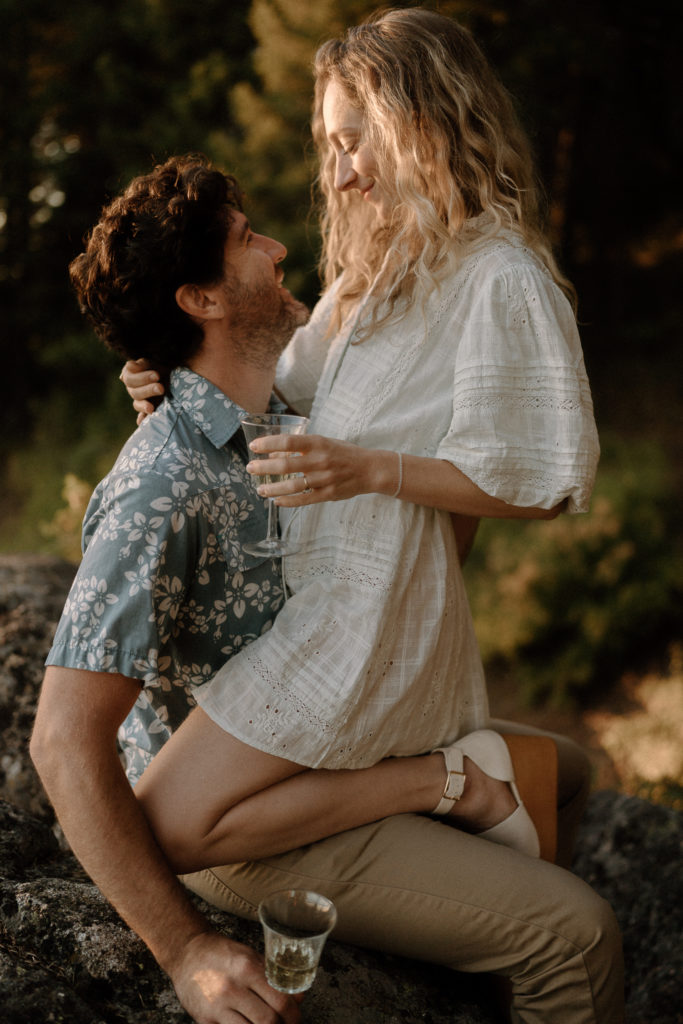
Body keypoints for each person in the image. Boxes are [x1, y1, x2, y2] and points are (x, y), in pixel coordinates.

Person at [40, 11, 623, 1024]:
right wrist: (173, 389)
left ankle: (466, 892)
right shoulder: (364, 282)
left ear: (422, 124)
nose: (338, 173)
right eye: (330, 145)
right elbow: (287, 382)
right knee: (570, 899)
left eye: (353, 138)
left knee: (565, 781)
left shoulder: (492, 278)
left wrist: (365, 466)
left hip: (357, 648)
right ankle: (448, 800)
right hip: (310, 675)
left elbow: (539, 475)